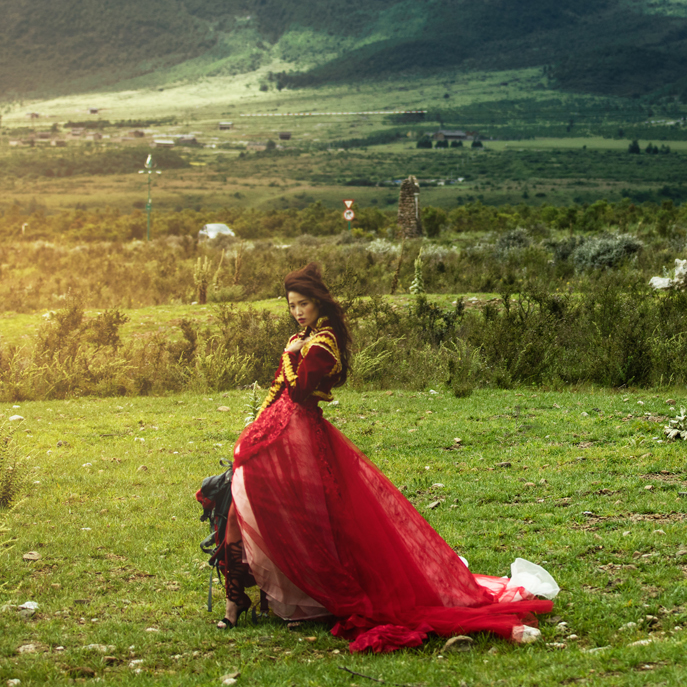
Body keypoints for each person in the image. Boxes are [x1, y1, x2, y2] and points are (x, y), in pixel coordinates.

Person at [215, 263, 556, 652]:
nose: (297, 312)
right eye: (292, 305)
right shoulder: (302, 338)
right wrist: (252, 433)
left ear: (318, 303)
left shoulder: (323, 343)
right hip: (277, 437)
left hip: (301, 438)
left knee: (309, 518)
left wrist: (292, 358)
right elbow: (275, 396)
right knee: (244, 513)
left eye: (303, 304)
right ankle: (239, 602)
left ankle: (277, 598)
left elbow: (301, 392)